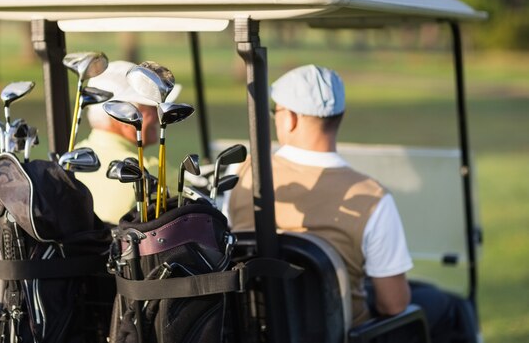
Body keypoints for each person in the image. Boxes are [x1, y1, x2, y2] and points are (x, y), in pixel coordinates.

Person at [226, 65, 465, 342]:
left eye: (275, 112)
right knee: (450, 307)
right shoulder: (372, 198)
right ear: (340, 118)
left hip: (257, 330)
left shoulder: (243, 174)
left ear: (290, 118)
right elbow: (394, 305)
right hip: (342, 334)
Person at [75, 60, 181, 225]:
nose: (159, 115)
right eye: (152, 107)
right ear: (124, 115)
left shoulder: (70, 158)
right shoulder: (151, 170)